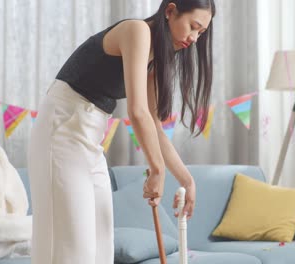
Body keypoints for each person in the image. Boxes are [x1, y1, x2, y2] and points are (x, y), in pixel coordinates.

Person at [27, 0, 216, 263]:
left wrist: (187, 181)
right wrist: (156, 169)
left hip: (90, 139)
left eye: (201, 33)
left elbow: (153, 123)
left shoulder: (158, 58)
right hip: (60, 130)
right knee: (73, 249)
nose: (194, 38)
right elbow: (137, 111)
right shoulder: (137, 31)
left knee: (102, 245)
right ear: (170, 11)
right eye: (193, 27)